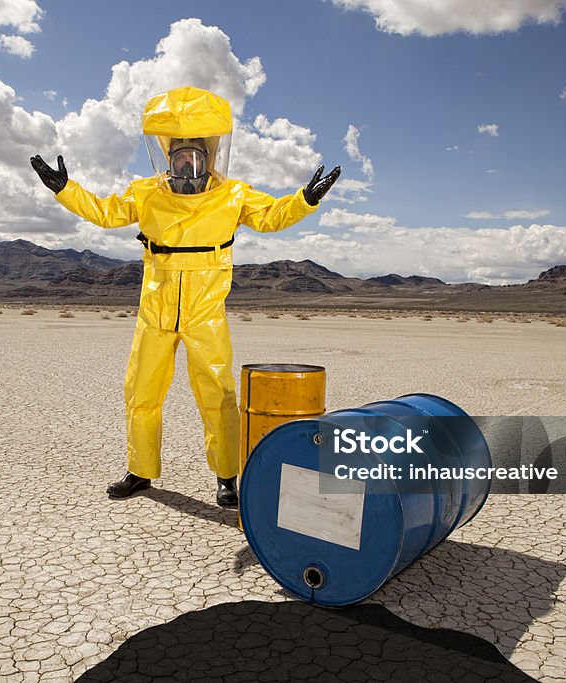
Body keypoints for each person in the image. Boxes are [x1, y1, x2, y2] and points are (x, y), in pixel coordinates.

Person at [31, 86, 339, 508]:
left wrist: (304, 200)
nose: (188, 166)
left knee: (217, 396)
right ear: (168, 157)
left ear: (210, 159)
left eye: (196, 157)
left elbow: (271, 217)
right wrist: (66, 189)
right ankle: (140, 471)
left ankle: (226, 477)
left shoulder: (234, 196)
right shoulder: (146, 192)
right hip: (154, 314)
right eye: (180, 157)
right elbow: (105, 213)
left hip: (204, 315)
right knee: (141, 393)